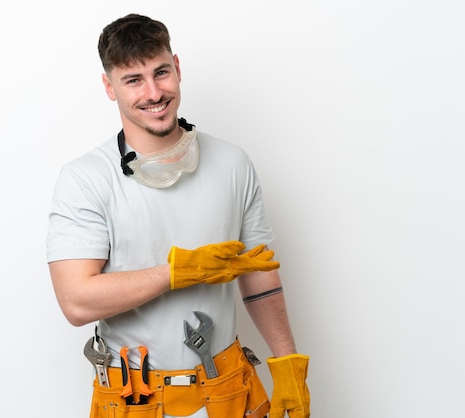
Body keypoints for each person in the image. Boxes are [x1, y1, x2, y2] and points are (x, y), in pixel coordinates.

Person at [46, 13, 309, 418]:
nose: (153, 92)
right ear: (109, 87)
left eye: (161, 72)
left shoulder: (233, 163)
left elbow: (258, 271)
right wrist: (176, 273)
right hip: (137, 400)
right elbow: (76, 302)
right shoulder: (85, 180)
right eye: (133, 79)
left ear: (178, 68)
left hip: (228, 391)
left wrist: (287, 363)